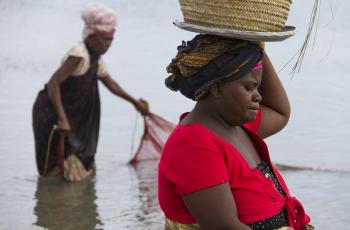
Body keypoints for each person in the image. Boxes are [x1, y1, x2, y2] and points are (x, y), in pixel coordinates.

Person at [158, 35, 313, 230]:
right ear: (216, 88)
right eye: (249, 87)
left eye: (257, 86)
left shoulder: (236, 126)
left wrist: (256, 47)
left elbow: (279, 112)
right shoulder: (193, 144)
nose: (258, 96)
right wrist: (253, 50)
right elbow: (224, 226)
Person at [32, 3, 148, 182]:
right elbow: (54, 83)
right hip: (53, 113)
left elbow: (111, 84)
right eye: (104, 39)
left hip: (73, 117)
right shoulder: (79, 54)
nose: (108, 44)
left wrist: (135, 103)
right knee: (57, 164)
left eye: (111, 40)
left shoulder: (96, 59)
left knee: (77, 160)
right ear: (91, 36)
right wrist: (62, 119)